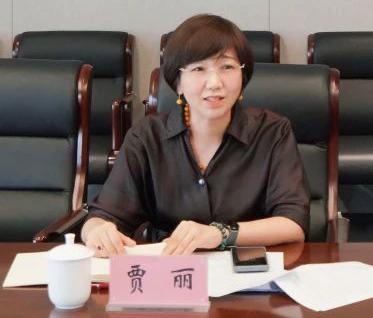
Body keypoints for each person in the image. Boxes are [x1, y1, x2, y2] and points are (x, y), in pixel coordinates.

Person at [82, 14, 309, 256]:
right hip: (171, 269)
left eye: (227, 67)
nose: (214, 83)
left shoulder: (272, 132)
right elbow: (103, 216)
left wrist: (220, 234)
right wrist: (96, 231)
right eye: (199, 69)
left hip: (246, 267)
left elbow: (293, 223)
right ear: (178, 82)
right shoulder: (147, 137)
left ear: (243, 76)